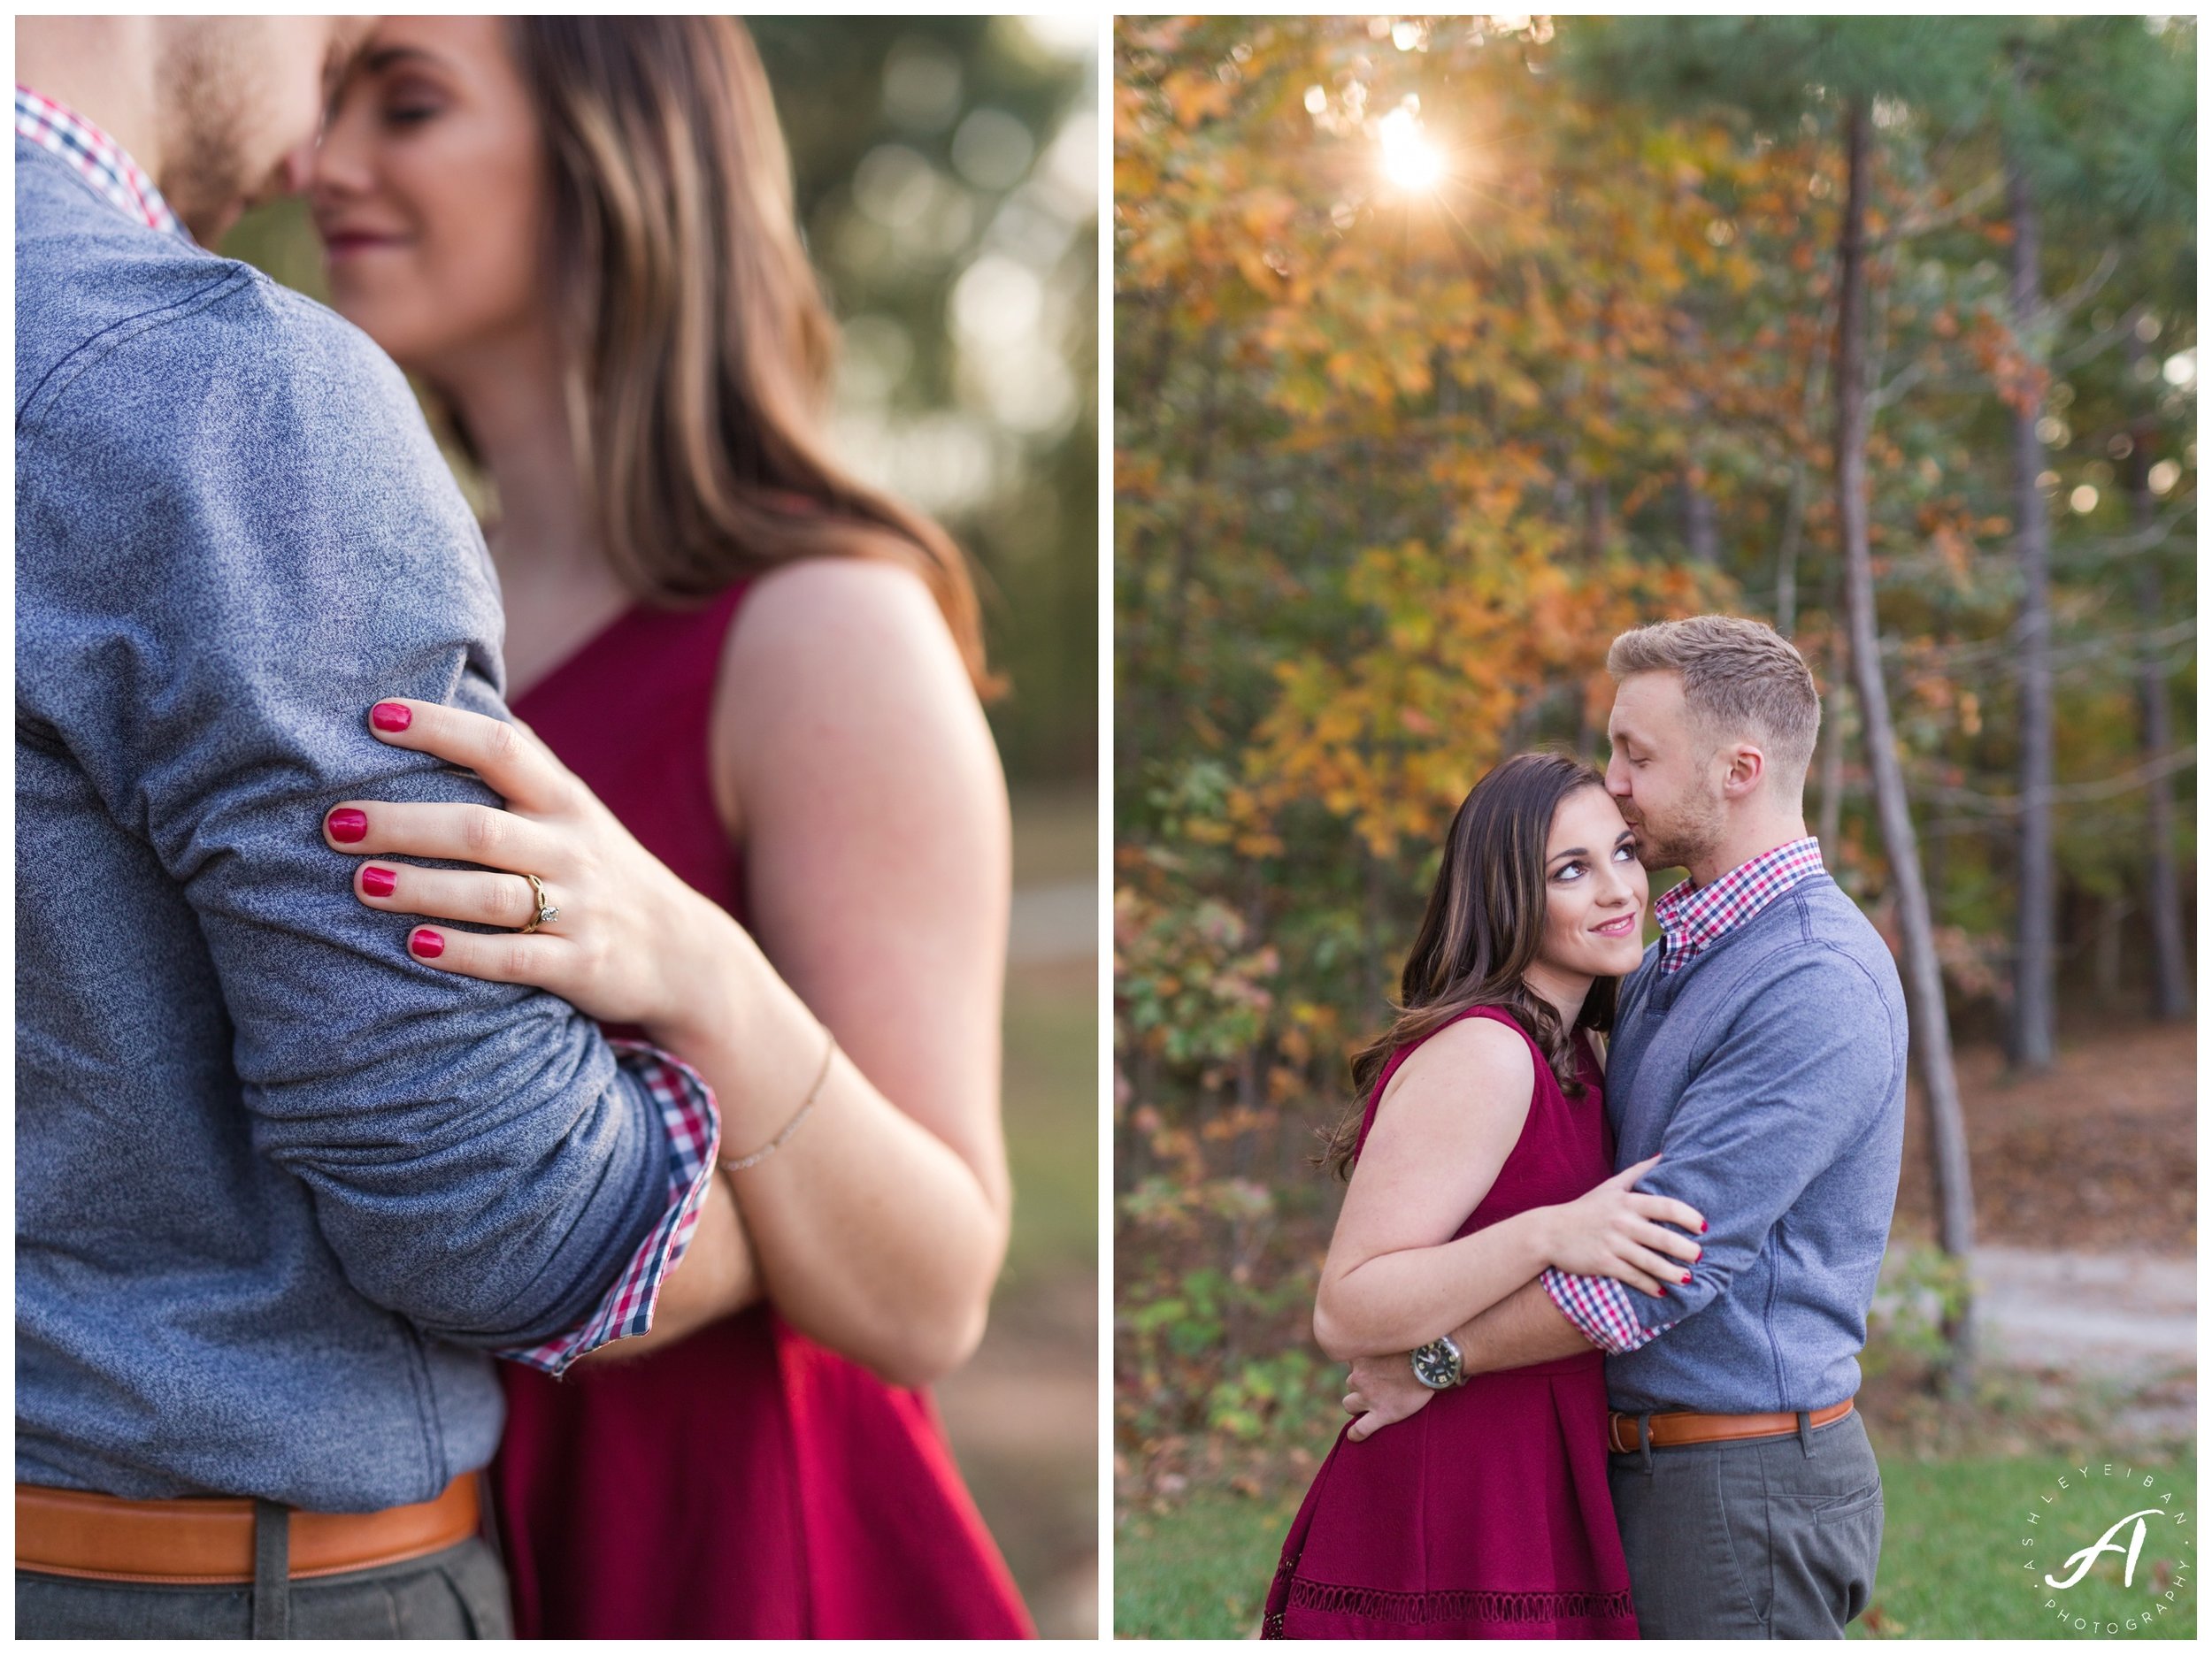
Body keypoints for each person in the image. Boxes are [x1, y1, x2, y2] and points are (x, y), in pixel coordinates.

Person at [15, 16, 748, 1641]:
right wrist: (791, 1204)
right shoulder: (218, 389)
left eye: (396, 97)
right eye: (338, 48)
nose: (308, 156)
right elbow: (500, 1214)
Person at [307, 16, 1032, 1637]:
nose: (318, 163)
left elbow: (937, 1288)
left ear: (615, 158)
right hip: (412, 1534)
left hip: (737, 1548)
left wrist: (694, 955)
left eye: (405, 106)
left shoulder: (823, 625)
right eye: (325, 107)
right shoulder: (374, 610)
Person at [1341, 616, 1907, 1639]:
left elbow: (1657, 1265)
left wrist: (1435, 1358)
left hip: (1737, 1480)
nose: (1614, 780)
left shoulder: (1812, 980)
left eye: (1636, 754)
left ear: (1738, 769)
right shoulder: (1661, 961)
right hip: (1639, 1463)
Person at [1262, 751, 1707, 1638]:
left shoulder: (1574, 1050)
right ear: (1506, 892)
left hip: (1535, 1468)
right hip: (1452, 1497)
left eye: (1622, 852)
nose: (1620, 889)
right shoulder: (1488, 1050)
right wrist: (1547, 1232)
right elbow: (1345, 1307)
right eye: (1570, 870)